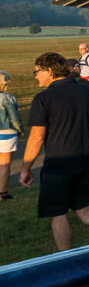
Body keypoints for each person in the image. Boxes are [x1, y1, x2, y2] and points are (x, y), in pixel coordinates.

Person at [19, 52, 89, 250]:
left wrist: (26, 167)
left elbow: (36, 139)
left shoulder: (43, 99)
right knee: (83, 206)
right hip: (85, 161)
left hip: (58, 165)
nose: (35, 76)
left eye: (36, 71)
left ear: (50, 71)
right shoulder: (87, 91)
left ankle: (65, 258)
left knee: (59, 213)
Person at [0, 71, 24, 201]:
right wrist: (20, 129)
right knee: (4, 164)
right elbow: (14, 118)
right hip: (6, 134)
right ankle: (2, 193)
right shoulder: (8, 98)